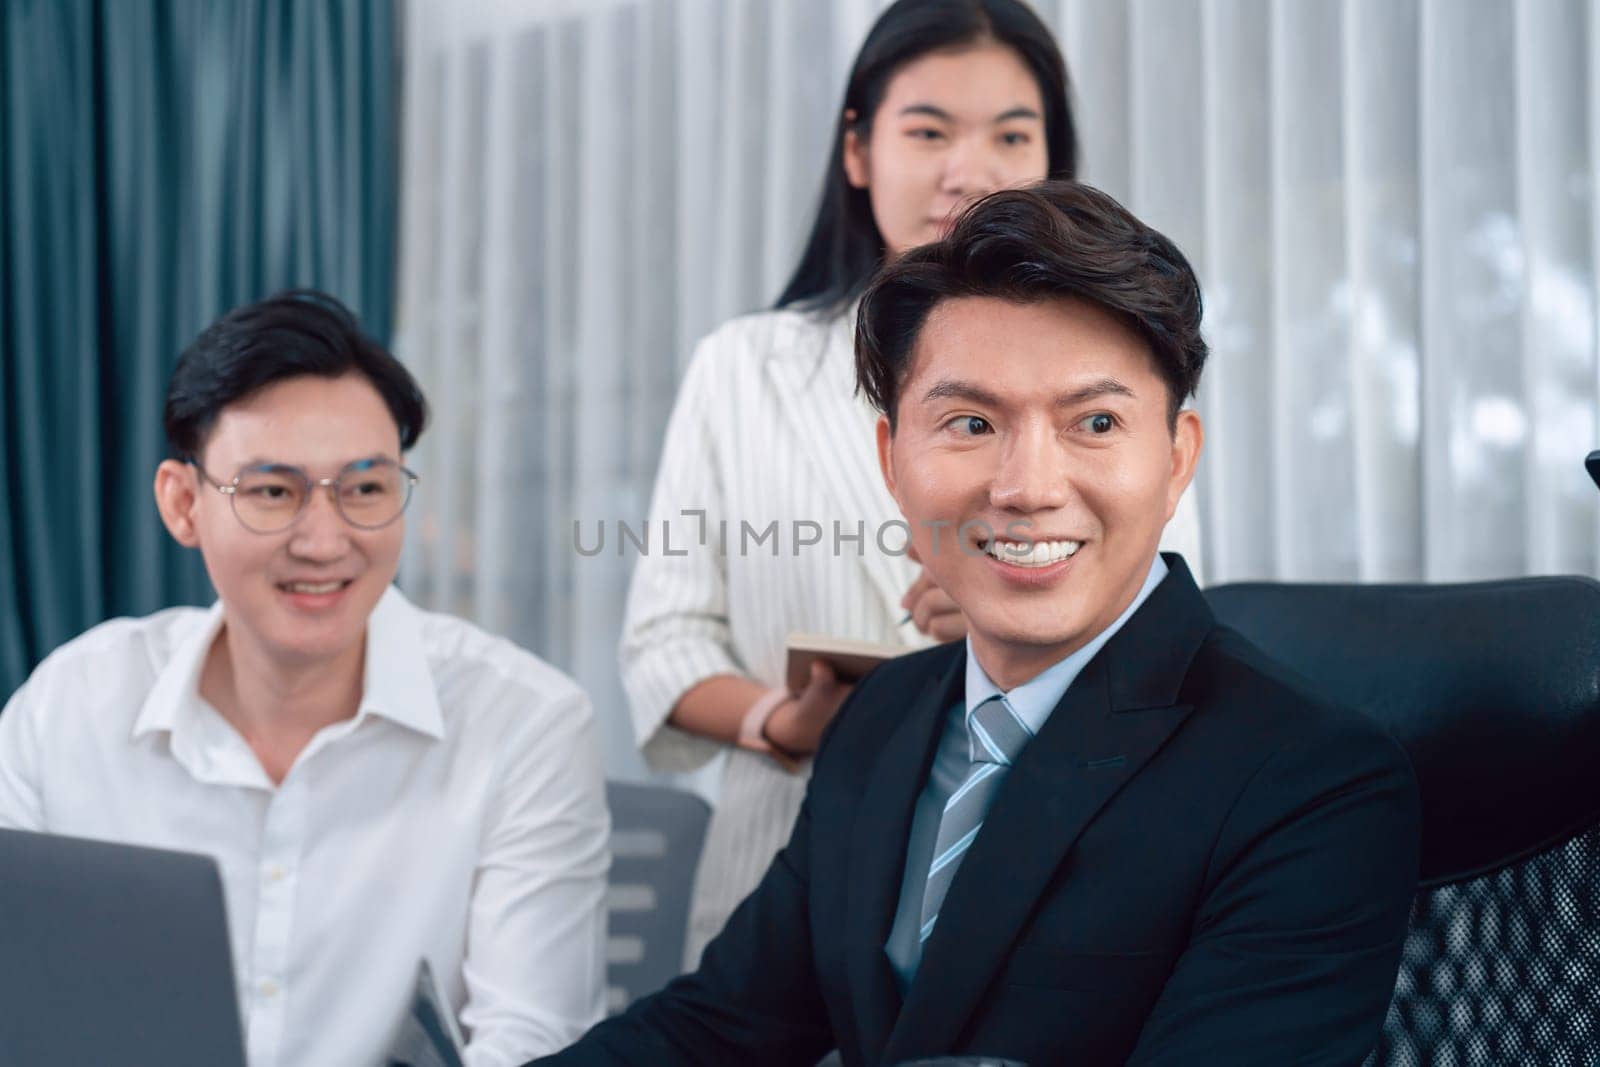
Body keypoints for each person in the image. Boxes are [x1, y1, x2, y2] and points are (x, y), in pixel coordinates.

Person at [533, 181, 1419, 1065]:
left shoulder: (1309, 781)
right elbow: (716, 1029)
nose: (1027, 487)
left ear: (1177, 456)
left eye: (1095, 422)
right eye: (969, 422)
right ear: (890, 458)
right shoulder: (879, 720)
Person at [621, 0, 1204, 969]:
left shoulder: (1117, 375)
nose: (966, 171)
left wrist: (1027, 600)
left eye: (1010, 134)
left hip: (1056, 852)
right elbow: (661, 642)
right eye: (927, 130)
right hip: (788, 861)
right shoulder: (741, 369)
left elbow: (1180, 615)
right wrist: (781, 721)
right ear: (857, 149)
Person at [0, 291, 609, 1067]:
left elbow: (531, 1046)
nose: (325, 541)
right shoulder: (71, 705)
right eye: (273, 491)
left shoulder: (527, 726)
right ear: (183, 504)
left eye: (365, 488)